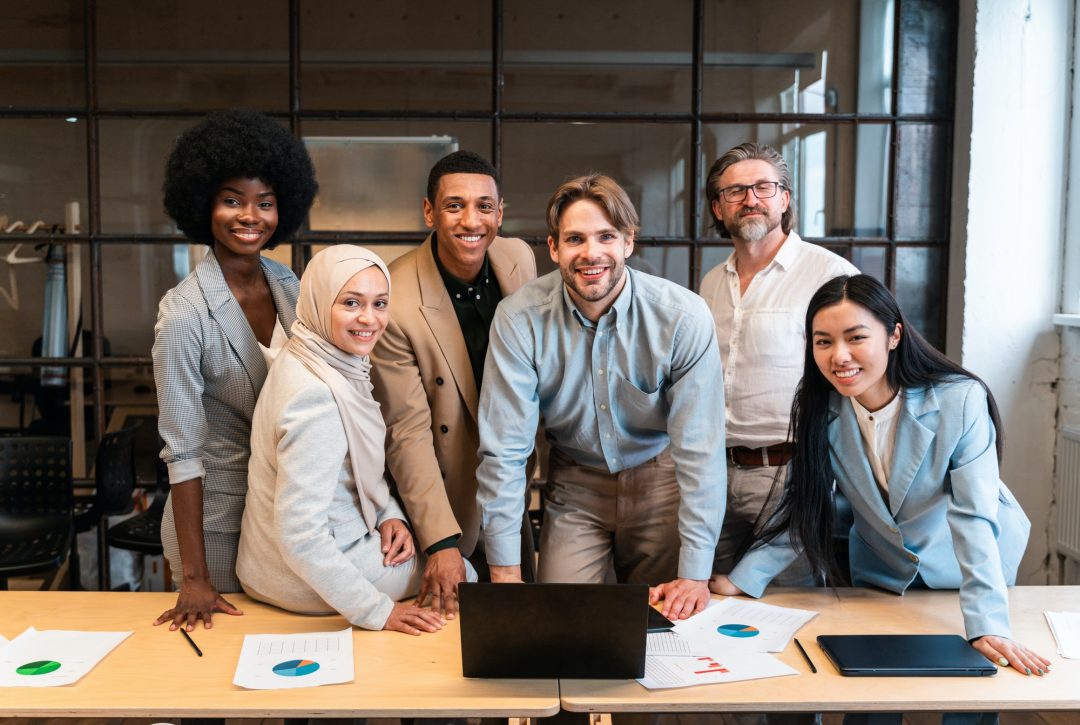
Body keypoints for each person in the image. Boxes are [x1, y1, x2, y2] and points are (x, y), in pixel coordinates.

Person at [711, 274, 1051, 679]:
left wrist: (988, 625)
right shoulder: (822, 405)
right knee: (873, 686)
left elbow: (974, 517)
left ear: (894, 336)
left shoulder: (960, 399)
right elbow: (807, 505)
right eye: (824, 341)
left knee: (971, 686)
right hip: (884, 569)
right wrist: (743, 579)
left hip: (964, 564)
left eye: (856, 338)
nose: (839, 356)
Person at [477, 173, 725, 621]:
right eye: (575, 238)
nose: (591, 253)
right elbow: (505, 452)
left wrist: (695, 572)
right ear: (554, 249)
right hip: (575, 484)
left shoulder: (683, 317)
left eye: (606, 236)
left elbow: (700, 451)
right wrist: (506, 573)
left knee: (668, 624)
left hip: (661, 482)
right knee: (564, 621)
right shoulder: (518, 319)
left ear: (628, 242)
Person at [237, 245, 461, 634]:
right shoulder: (317, 395)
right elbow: (301, 536)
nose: (368, 319)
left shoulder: (308, 353)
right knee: (461, 573)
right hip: (305, 581)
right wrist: (378, 612)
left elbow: (357, 468)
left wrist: (389, 512)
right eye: (351, 303)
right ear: (320, 301)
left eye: (380, 303)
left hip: (269, 567)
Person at [152, 110, 317, 631]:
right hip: (217, 530)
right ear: (203, 204)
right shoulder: (183, 313)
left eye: (265, 203)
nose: (251, 216)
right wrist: (195, 577)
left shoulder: (289, 284)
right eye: (232, 200)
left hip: (288, 516)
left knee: (286, 664)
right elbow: (182, 452)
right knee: (216, 686)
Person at [370, 150, 537, 617]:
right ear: (429, 212)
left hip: (508, 484)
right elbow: (406, 431)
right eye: (454, 205)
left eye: (485, 206)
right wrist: (441, 542)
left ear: (500, 213)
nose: (472, 220)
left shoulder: (518, 259)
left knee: (522, 621)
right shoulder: (397, 298)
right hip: (445, 493)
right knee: (447, 637)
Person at [699, 142, 858, 581]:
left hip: (792, 475)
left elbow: (858, 377)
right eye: (735, 191)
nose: (751, 199)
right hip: (716, 473)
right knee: (711, 602)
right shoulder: (711, 283)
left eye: (764, 188)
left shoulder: (831, 276)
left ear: (784, 199)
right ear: (718, 207)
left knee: (789, 609)